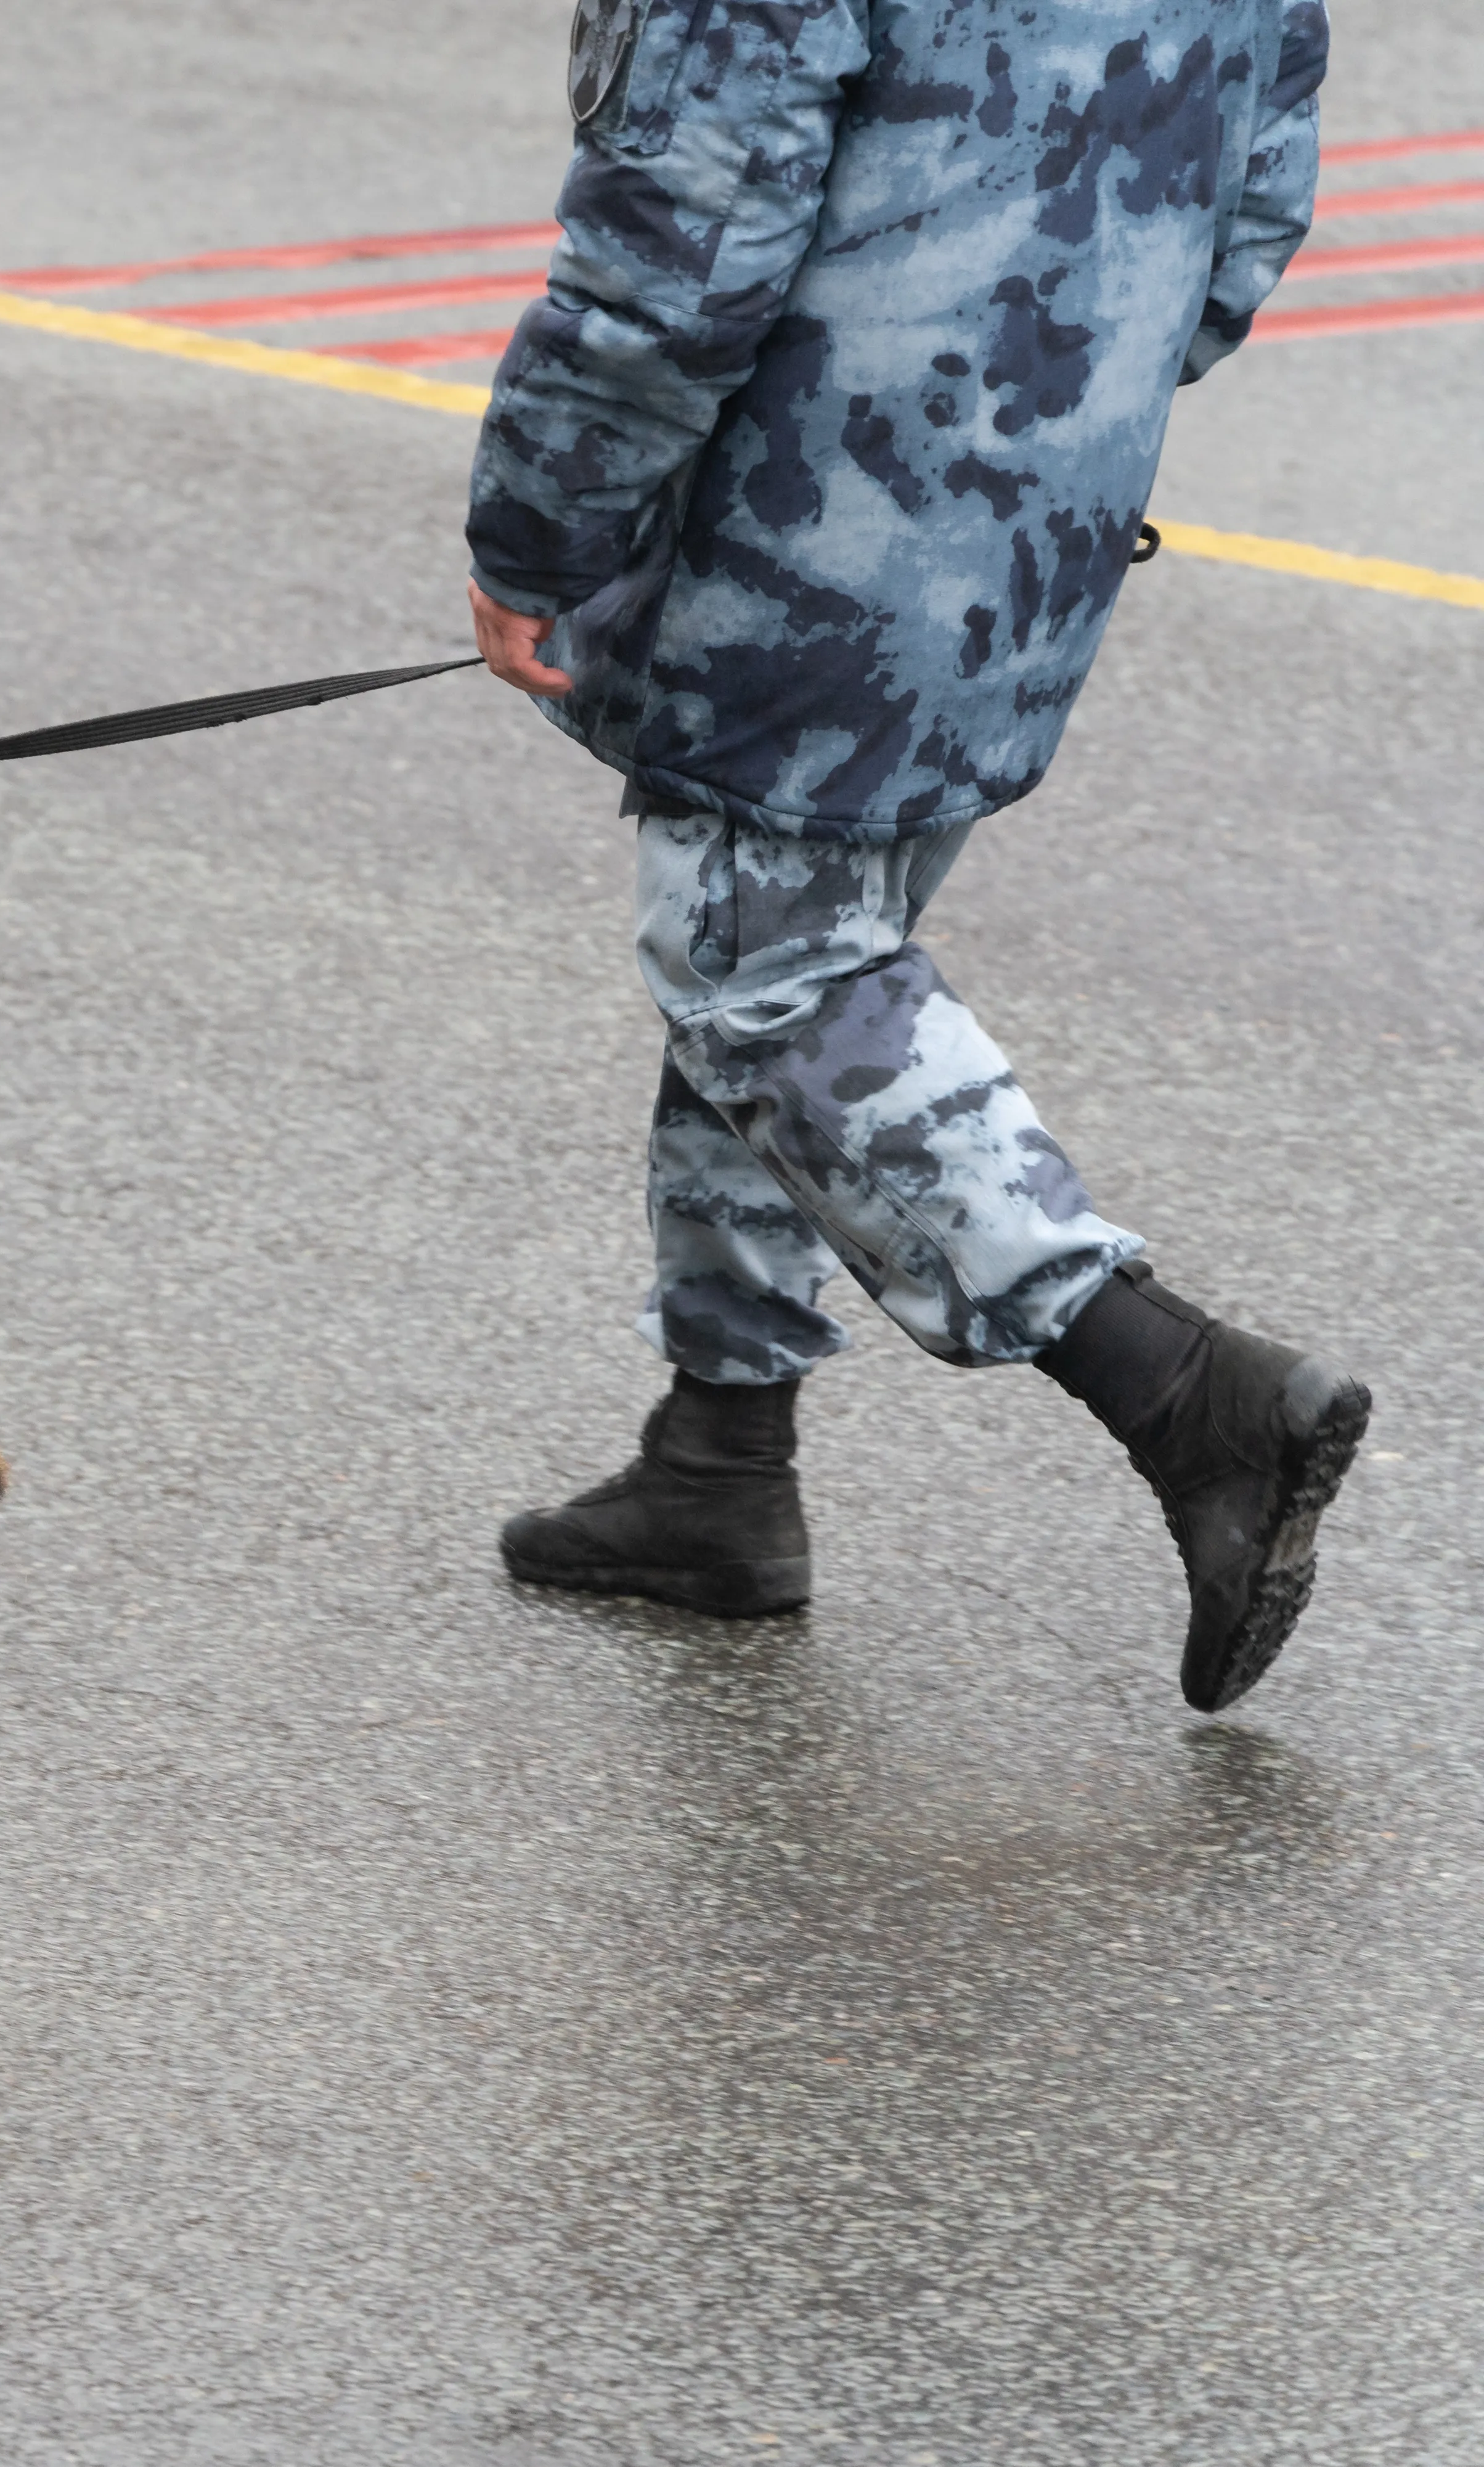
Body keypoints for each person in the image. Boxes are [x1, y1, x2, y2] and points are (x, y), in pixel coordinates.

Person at [462, 0, 1364, 1711]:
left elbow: (679, 254)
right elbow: (1261, 185)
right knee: (796, 930)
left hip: (817, 508)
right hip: (1043, 483)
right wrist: (1058, 412)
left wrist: (538, 525)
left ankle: (1190, 1400)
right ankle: (719, 1462)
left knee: (768, 966)